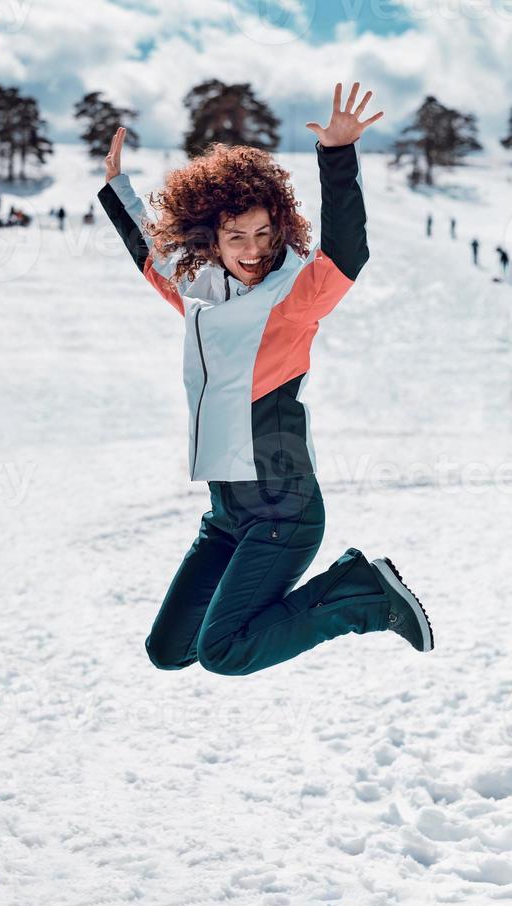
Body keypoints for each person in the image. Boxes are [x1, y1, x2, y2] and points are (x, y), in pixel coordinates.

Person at [97, 81, 434, 677]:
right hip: (227, 517)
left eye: (263, 233)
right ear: (213, 241)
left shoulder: (294, 296)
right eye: (235, 237)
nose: (252, 250)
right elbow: (149, 255)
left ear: (279, 228)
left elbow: (347, 252)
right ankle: (351, 590)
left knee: (225, 653)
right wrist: (116, 185)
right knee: (170, 650)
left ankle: (362, 594)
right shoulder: (200, 297)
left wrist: (337, 156)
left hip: (283, 512)